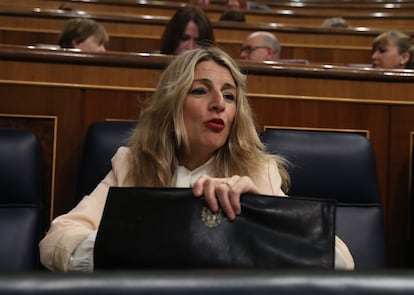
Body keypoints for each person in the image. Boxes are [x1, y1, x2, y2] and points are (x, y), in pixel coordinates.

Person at [39, 47, 354, 272]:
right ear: (173, 104)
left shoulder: (258, 172)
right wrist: (137, 241)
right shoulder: (132, 163)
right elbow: (55, 242)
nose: (219, 103)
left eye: (229, 96)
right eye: (201, 91)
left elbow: (340, 260)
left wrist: (265, 219)